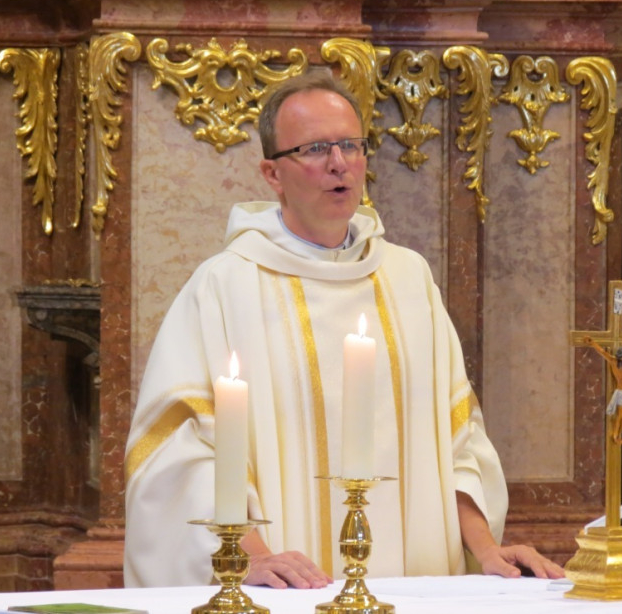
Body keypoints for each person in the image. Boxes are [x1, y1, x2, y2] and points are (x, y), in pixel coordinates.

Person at [123, 69, 564, 589]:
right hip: (289, 592)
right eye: (315, 149)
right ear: (272, 173)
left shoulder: (407, 278)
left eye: (351, 145)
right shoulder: (225, 286)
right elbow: (179, 452)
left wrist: (487, 550)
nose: (339, 163)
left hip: (412, 584)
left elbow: (456, 439)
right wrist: (250, 558)